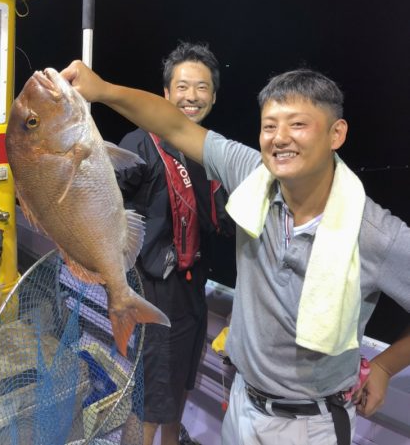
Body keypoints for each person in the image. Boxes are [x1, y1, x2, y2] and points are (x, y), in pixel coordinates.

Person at [61, 61, 410, 445]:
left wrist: (384, 367)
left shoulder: (376, 234)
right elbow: (174, 126)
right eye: (269, 126)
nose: (280, 138)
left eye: (297, 124)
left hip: (312, 423)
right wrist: (102, 89)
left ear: (336, 133)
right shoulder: (253, 174)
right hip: (241, 404)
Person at [115, 42, 234, 445]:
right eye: (182, 87)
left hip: (192, 290)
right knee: (149, 397)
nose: (192, 96)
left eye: (202, 88)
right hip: (152, 294)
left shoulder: (211, 152)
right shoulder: (137, 144)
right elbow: (110, 192)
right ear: (164, 94)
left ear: (213, 97)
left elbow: (229, 218)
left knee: (181, 384)